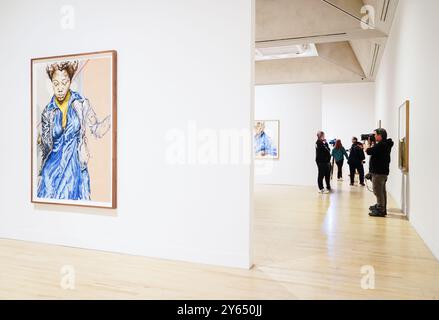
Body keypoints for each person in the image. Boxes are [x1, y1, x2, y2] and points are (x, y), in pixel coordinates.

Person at [37, 61, 111, 201]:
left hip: (74, 169)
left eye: (64, 83)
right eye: (56, 83)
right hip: (51, 172)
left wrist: (114, 117)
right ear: (51, 83)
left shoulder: (81, 103)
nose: (59, 88)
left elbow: (97, 130)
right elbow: (46, 148)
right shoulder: (47, 111)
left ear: (70, 82)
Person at [365, 128, 394, 217]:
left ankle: (380, 209)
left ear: (380, 136)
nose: (373, 136)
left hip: (379, 173)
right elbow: (375, 152)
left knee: (377, 192)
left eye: (374, 134)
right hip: (381, 172)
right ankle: (381, 207)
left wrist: (367, 144)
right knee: (381, 191)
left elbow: (369, 151)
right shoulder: (384, 144)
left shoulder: (382, 145)